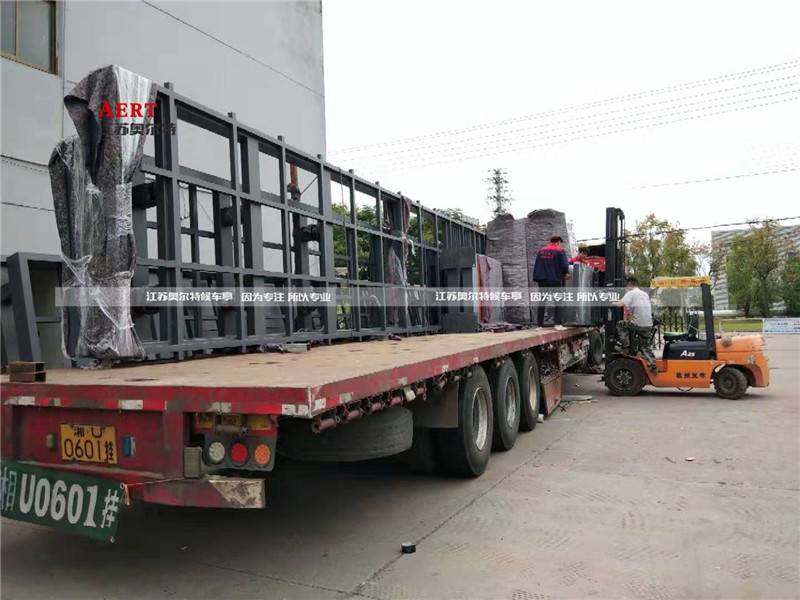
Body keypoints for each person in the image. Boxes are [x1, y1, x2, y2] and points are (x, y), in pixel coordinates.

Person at [613, 276, 657, 372]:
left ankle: (625, 346)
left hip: (637, 324)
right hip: (648, 324)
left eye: (627, 285)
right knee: (646, 346)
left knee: (620, 324)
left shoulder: (631, 293)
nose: (626, 287)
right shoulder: (644, 294)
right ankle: (653, 365)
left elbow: (620, 304)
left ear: (629, 284)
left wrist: (610, 302)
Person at [532, 235, 570, 327]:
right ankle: (557, 324)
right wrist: (566, 273)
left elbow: (537, 264)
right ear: (558, 242)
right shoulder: (560, 251)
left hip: (543, 280)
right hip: (555, 279)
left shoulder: (541, 251)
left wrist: (537, 277)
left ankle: (539, 325)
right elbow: (564, 265)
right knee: (558, 302)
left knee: (542, 302)